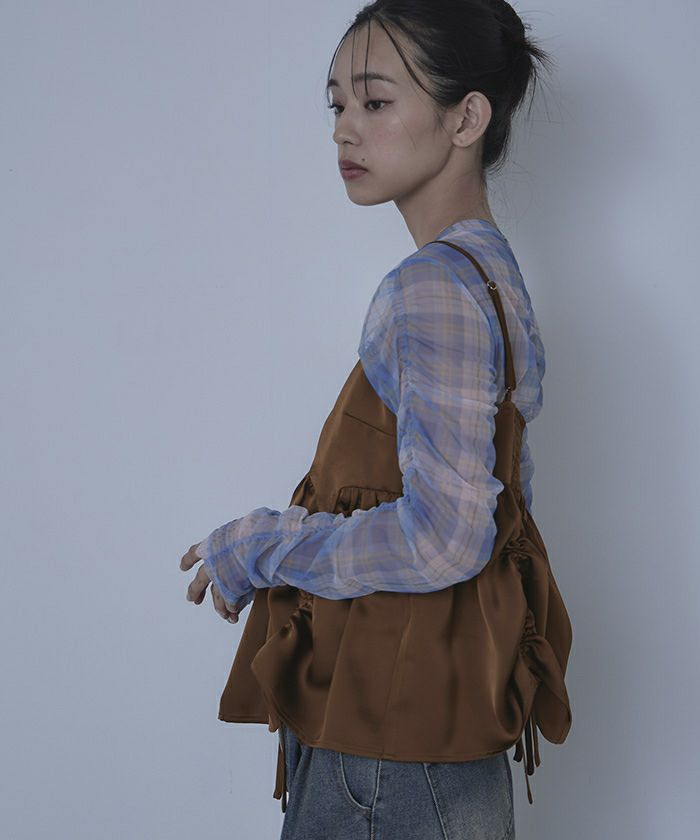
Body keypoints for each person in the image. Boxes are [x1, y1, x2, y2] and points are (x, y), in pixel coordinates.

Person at [181, 1, 555, 836]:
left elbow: (448, 536)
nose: (345, 129)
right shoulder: (491, 274)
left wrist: (260, 544)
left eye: (377, 101)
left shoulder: (431, 287)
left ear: (466, 118)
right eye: (338, 104)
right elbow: (500, 510)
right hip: (438, 729)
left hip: (388, 747)